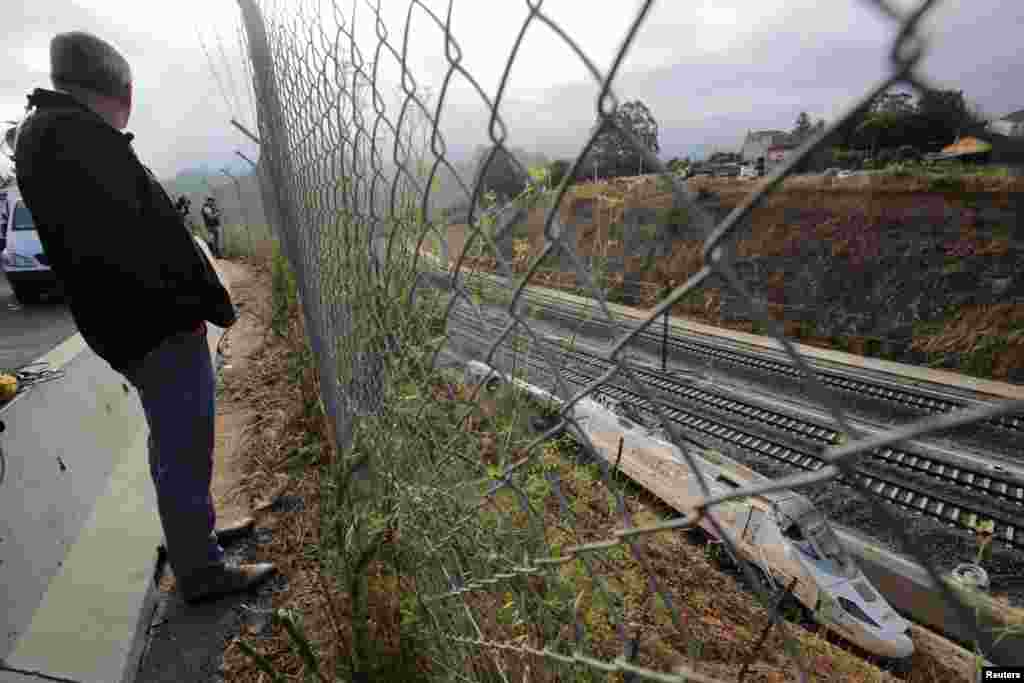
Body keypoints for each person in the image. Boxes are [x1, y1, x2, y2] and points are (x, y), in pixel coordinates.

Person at [12, 31, 276, 604]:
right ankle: (202, 570)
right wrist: (197, 304)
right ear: (120, 89)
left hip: (126, 324)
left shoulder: (49, 138)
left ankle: (194, 541)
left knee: (174, 439)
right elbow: (140, 242)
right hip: (153, 324)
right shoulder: (80, 142)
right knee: (184, 441)